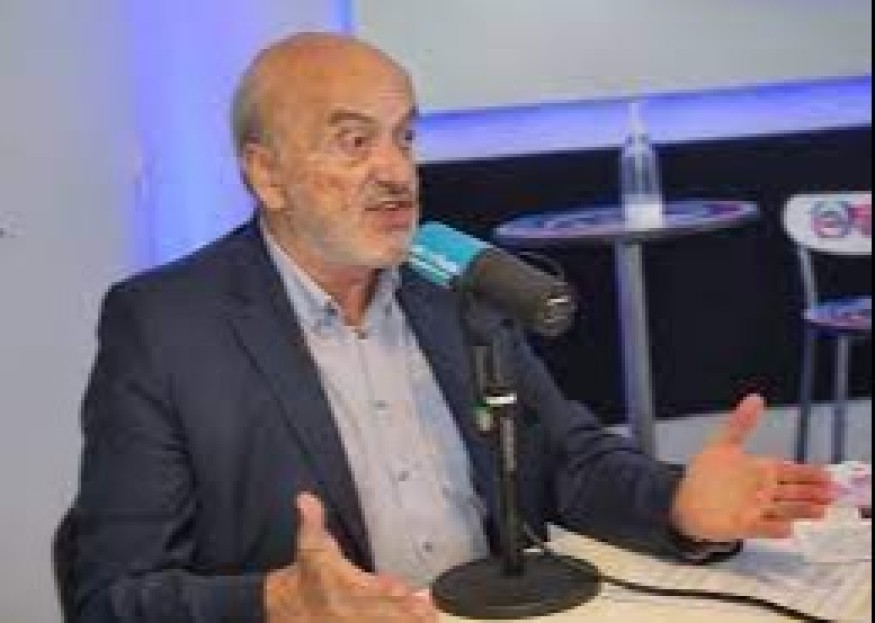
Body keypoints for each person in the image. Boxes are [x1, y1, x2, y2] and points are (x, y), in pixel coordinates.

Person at [69, 32, 835, 623]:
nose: (396, 172)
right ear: (266, 174)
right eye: (354, 141)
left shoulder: (453, 284)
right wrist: (277, 600)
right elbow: (109, 595)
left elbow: (566, 461)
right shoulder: (165, 325)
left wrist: (678, 504)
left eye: (404, 137)